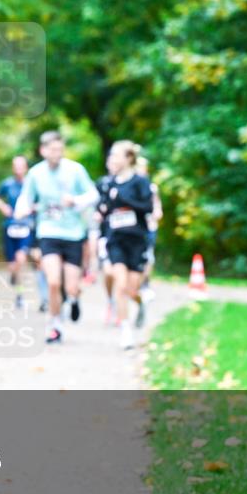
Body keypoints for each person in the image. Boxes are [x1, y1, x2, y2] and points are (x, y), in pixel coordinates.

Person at [14, 131, 99, 343]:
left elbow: (93, 195)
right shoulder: (36, 173)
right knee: (53, 282)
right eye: (53, 150)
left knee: (71, 286)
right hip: (48, 232)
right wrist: (21, 210)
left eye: (60, 149)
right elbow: (26, 197)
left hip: (73, 234)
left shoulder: (75, 170)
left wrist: (76, 201)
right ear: (43, 150)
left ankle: (74, 298)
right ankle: (55, 325)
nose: (57, 153)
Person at [97, 141, 153, 349]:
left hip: (136, 240)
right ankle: (126, 330)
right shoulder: (108, 183)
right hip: (116, 240)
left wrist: (125, 200)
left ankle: (139, 303)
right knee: (120, 284)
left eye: (116, 155)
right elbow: (103, 208)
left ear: (128, 158)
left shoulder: (140, 182)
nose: (112, 159)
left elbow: (147, 206)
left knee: (131, 289)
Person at [0, 155, 35, 308]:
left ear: (26, 167)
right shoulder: (7, 184)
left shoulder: (31, 184)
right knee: (12, 265)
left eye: (21, 166)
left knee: (21, 259)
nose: (18, 169)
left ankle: (20, 295)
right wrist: (3, 207)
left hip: (26, 225)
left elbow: (40, 201)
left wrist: (31, 209)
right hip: (9, 226)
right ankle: (14, 276)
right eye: (15, 166)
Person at [135, 156, 163, 328]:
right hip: (134, 229)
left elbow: (157, 208)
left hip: (149, 228)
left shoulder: (151, 187)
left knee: (148, 257)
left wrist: (155, 215)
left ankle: (145, 284)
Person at [95, 148, 122, 323]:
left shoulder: (128, 183)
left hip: (124, 236)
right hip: (106, 234)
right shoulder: (102, 183)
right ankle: (110, 301)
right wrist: (98, 213)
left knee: (120, 273)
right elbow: (95, 204)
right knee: (108, 272)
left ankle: (120, 307)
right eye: (111, 162)